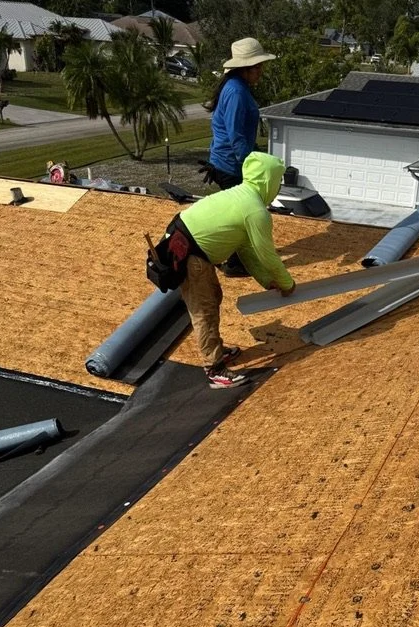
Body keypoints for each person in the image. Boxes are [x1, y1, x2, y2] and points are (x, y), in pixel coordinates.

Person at [163, 151, 295, 389]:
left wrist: (267, 282)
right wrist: (286, 283)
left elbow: (246, 251)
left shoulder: (242, 196)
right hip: (190, 253)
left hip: (189, 245)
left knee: (213, 297)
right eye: (278, 181)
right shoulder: (255, 210)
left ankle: (216, 350)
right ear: (268, 181)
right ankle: (214, 369)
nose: (278, 186)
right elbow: (267, 254)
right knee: (204, 311)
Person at [203, 37, 276, 276]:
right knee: (242, 215)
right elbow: (236, 135)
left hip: (227, 161)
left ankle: (226, 256)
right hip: (231, 164)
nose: (261, 71)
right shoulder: (235, 91)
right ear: (245, 68)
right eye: (258, 67)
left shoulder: (236, 87)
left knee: (235, 213)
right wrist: (251, 166)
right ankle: (235, 264)